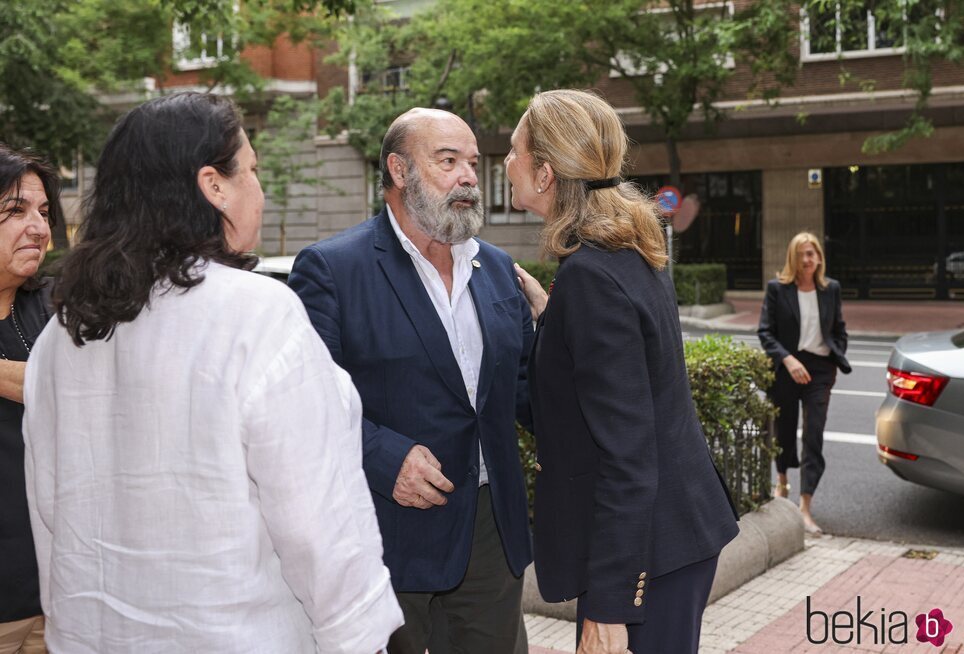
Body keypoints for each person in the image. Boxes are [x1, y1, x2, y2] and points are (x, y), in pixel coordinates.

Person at [22, 92, 402, 654]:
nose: (260, 189)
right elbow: (320, 530)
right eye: (250, 169)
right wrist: (361, 636)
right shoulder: (257, 316)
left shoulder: (63, 333)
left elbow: (52, 519)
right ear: (213, 185)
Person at [288, 107, 534, 654]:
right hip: (386, 533)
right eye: (448, 161)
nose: (469, 175)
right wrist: (382, 456)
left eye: (472, 161)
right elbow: (307, 405)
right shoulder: (332, 269)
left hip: (490, 537)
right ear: (399, 171)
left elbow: (527, 392)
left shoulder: (496, 269)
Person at [508, 89, 739, 654]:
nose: (505, 163)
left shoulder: (590, 275)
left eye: (513, 151)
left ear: (544, 174)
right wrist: (552, 323)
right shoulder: (625, 244)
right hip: (664, 540)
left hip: (647, 554)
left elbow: (627, 456)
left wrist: (611, 603)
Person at [0, 145, 60, 654]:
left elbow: (77, 387)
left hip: (59, 597)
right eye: (16, 210)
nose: (39, 227)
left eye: (43, 212)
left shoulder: (60, 306)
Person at [757, 231, 850, 535]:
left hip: (820, 369)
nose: (807, 259)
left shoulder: (830, 289)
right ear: (792, 258)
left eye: (812, 253)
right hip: (788, 366)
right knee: (784, 428)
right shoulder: (777, 289)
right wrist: (788, 359)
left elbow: (838, 329)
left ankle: (805, 507)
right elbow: (765, 332)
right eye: (801, 254)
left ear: (819, 257)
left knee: (813, 434)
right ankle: (782, 481)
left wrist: (836, 354)